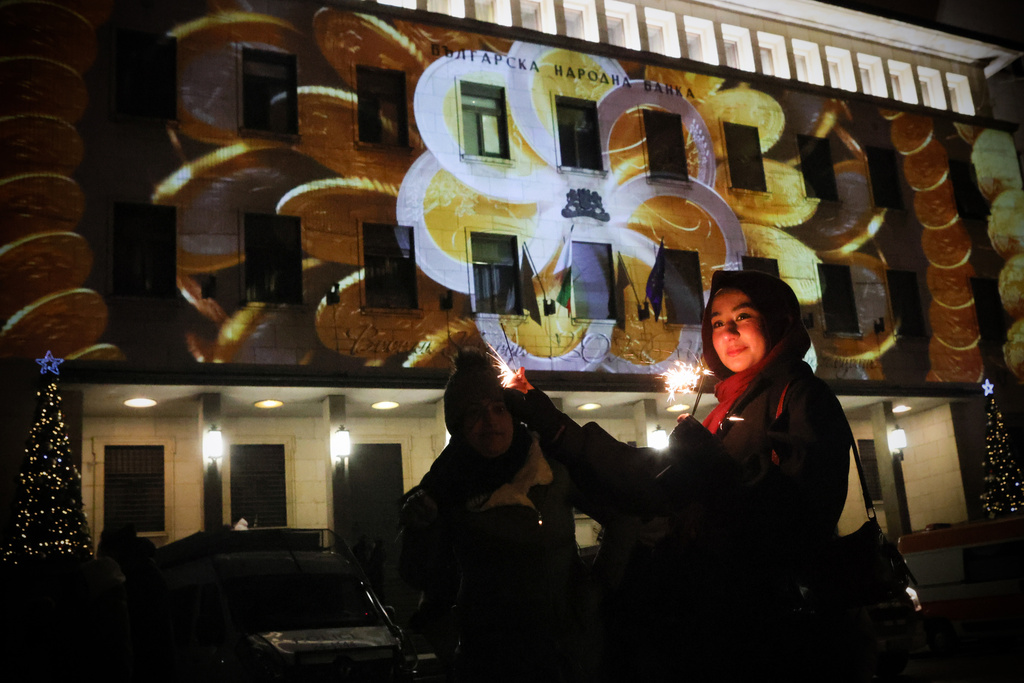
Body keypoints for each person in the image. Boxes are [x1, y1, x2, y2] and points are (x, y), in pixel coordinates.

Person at [506, 270, 875, 683]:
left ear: (779, 320)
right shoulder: (723, 408)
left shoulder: (802, 396)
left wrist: (718, 471)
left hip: (774, 634)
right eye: (716, 322)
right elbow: (653, 478)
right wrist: (556, 427)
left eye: (743, 316)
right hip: (715, 627)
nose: (728, 332)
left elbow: (806, 515)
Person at [398, 348, 611, 683]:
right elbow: (421, 576)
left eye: (499, 408)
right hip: (490, 662)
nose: (491, 422)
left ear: (514, 414)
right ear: (458, 426)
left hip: (568, 657)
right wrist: (419, 528)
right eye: (474, 413)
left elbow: (619, 512)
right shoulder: (444, 487)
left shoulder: (552, 468)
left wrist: (595, 590)